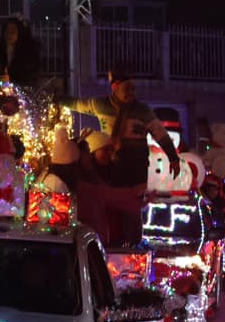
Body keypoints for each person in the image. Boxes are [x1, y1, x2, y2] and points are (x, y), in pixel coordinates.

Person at [57, 69, 181, 245]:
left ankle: (133, 244)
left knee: (132, 208)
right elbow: (79, 104)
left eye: (133, 88)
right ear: (115, 87)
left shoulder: (142, 110)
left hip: (136, 168)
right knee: (111, 204)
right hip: (111, 166)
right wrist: (57, 100)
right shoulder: (102, 105)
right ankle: (110, 242)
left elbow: (159, 133)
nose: (132, 92)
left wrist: (173, 157)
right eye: (127, 88)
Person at [0, 17, 40, 87]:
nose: (9, 34)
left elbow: (30, 78)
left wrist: (11, 81)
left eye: (13, 31)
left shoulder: (29, 54)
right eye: (7, 30)